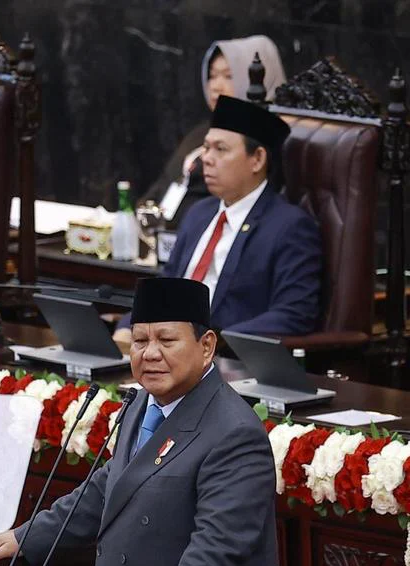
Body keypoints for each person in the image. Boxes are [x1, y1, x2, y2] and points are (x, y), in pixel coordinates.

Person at [0, 277, 282, 566]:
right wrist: (27, 537)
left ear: (206, 347)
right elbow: (111, 488)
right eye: (140, 341)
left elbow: (211, 562)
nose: (151, 353)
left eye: (167, 341)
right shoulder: (143, 402)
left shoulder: (235, 435)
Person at [116, 95, 322, 339]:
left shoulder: (289, 226)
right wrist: (128, 325)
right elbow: (165, 288)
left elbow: (294, 314)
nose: (206, 158)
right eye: (206, 147)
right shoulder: (199, 214)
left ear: (257, 159)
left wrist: (214, 342)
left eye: (220, 149)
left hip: (229, 362)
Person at [141, 36, 286, 228]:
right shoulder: (201, 132)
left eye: (228, 76)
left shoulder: (272, 140)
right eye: (212, 75)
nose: (216, 86)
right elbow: (163, 184)